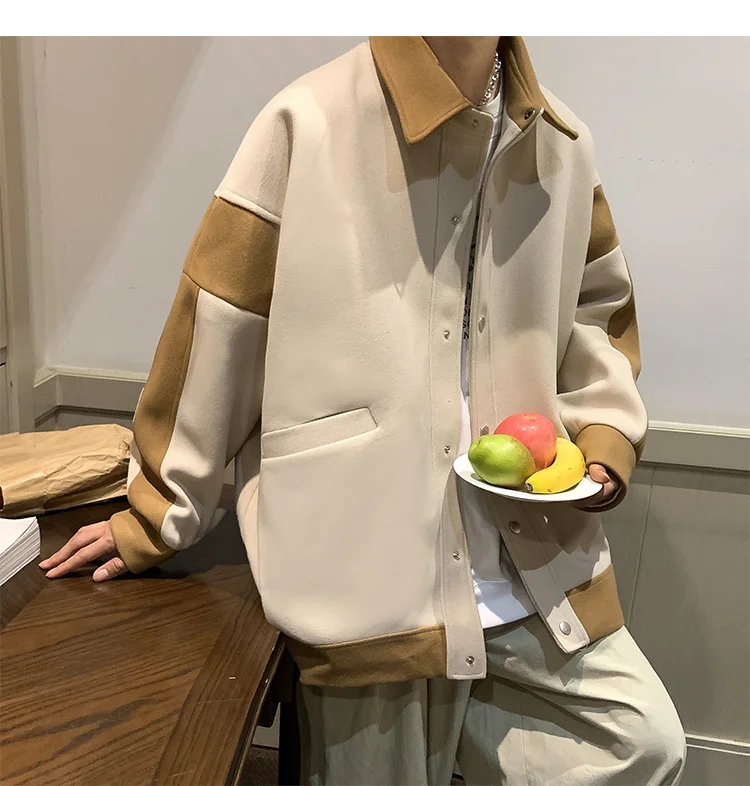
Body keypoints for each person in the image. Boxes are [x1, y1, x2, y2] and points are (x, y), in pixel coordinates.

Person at [40, 36, 686, 784]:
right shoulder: (305, 121)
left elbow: (595, 316)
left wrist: (602, 436)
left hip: (527, 569)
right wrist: (156, 515)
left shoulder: (563, 146)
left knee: (641, 744)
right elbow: (218, 323)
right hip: (363, 573)